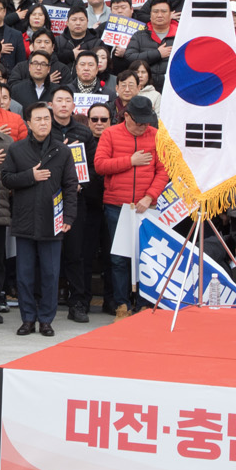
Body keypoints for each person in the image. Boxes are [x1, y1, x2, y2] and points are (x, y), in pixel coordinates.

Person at [0, 102, 80, 336]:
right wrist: (30, 176)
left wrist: (69, 216)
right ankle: (27, 319)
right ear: (28, 123)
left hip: (53, 220)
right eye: (38, 119)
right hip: (24, 219)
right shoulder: (17, 149)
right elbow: (6, 179)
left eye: (46, 118)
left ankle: (46, 319)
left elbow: (70, 185)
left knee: (50, 273)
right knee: (24, 274)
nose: (43, 123)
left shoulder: (62, 151)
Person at [94, 94, 169, 317]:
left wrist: (150, 196)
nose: (143, 127)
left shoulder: (157, 136)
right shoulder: (110, 134)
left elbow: (163, 171)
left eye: (146, 122)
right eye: (139, 123)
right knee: (119, 257)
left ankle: (144, 303)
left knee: (146, 255)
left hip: (147, 207)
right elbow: (100, 165)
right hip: (117, 205)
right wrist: (130, 161)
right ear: (126, 116)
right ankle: (122, 303)